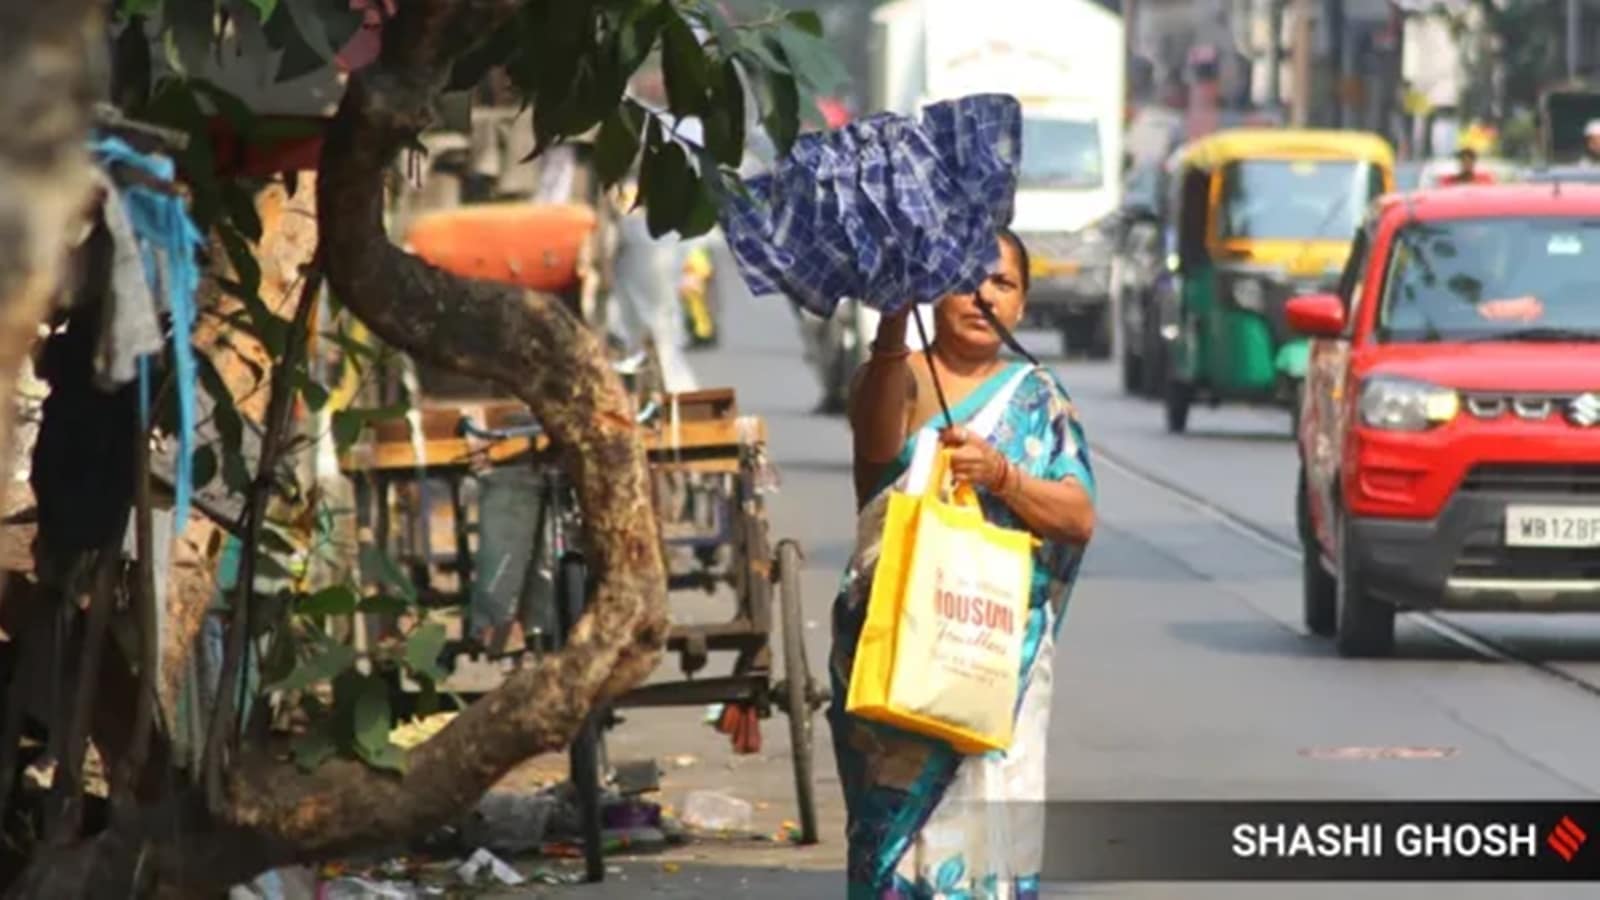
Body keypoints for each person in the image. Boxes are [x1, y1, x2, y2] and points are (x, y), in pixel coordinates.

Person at [829, 229, 1098, 897]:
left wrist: (1002, 475)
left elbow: (1077, 515)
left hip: (994, 656)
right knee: (892, 845)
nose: (982, 296)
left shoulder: (1039, 397)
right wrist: (893, 315)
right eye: (965, 280)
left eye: (1002, 284)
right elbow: (873, 455)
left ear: (1023, 305)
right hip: (897, 648)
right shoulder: (899, 375)